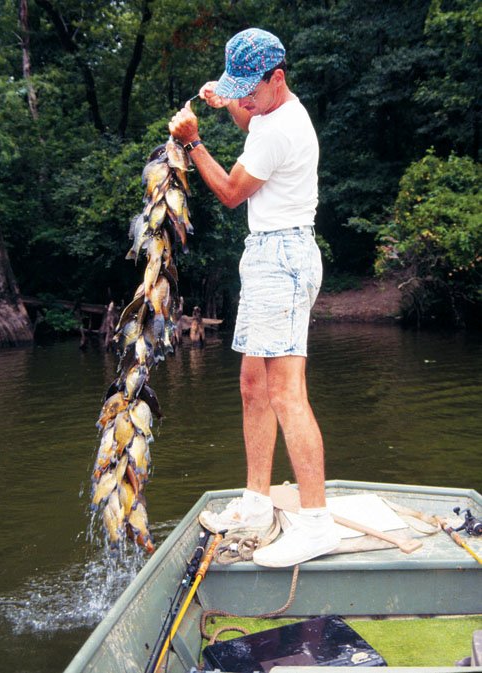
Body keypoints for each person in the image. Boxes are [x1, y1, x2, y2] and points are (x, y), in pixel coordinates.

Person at [168, 28, 340, 567]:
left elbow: (228, 192)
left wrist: (194, 141)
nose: (243, 99)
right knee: (252, 384)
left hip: (283, 259)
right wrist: (229, 105)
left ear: (278, 78)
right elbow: (251, 118)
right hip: (268, 256)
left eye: (249, 89)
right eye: (235, 88)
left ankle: (316, 523)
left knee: (287, 391)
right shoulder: (268, 111)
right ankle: (256, 503)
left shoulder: (280, 129)